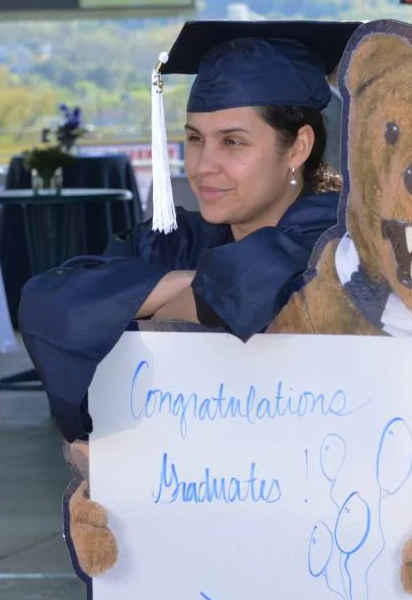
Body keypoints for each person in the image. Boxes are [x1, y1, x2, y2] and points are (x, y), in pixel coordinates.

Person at [19, 21, 362, 444]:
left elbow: (256, 283)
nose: (202, 166)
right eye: (196, 139)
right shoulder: (178, 240)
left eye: (233, 142)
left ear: (297, 147)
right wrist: (185, 284)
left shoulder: (342, 236)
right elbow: (51, 305)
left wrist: (141, 301)